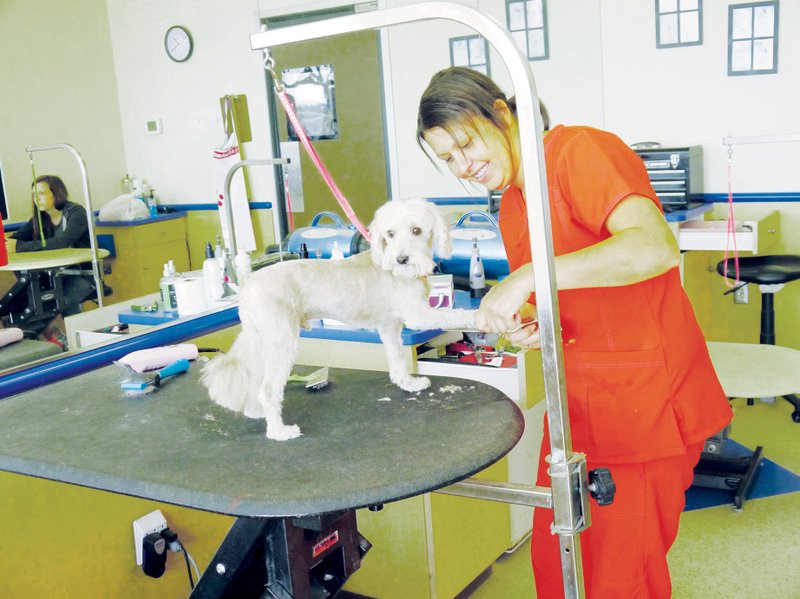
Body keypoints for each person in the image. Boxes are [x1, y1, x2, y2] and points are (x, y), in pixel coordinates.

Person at [417, 67, 733, 598]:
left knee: (619, 579)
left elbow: (652, 248)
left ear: (502, 113)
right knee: (560, 565)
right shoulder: (515, 201)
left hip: (645, 410)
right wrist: (538, 323)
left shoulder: (576, 152)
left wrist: (524, 280)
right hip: (581, 411)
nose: (464, 166)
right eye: (448, 159)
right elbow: (576, 292)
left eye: (467, 144)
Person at [5, 175, 94, 347]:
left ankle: (78, 344)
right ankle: (51, 335)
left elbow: (62, 242)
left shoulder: (76, 213)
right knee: (27, 302)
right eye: (33, 195)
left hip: (82, 274)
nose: (36, 199)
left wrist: (20, 247)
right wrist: (8, 243)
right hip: (55, 276)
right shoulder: (40, 217)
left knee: (61, 300)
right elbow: (18, 237)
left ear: (57, 193)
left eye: (41, 193)